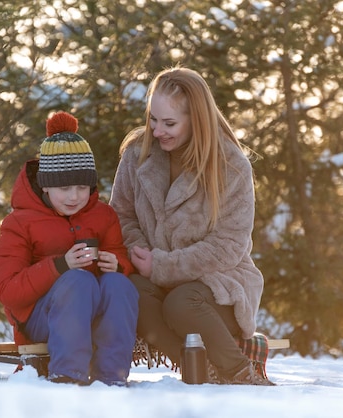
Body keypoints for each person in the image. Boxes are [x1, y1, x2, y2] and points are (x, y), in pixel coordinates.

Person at [109, 66, 273, 385]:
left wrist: (164, 264)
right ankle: (199, 371)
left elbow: (228, 245)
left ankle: (240, 374)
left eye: (169, 123)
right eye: (153, 120)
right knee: (127, 292)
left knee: (182, 303)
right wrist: (142, 253)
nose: (157, 131)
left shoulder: (231, 166)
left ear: (196, 119)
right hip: (152, 277)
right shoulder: (136, 155)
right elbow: (121, 216)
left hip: (217, 283)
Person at [0, 111, 139, 386]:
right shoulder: (20, 222)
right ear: (46, 186)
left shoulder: (103, 216)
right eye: (64, 188)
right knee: (78, 280)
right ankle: (68, 376)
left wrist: (118, 265)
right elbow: (7, 291)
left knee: (120, 286)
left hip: (93, 314)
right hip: (41, 320)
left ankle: (113, 377)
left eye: (82, 186)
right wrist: (59, 266)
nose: (74, 196)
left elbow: (119, 255)